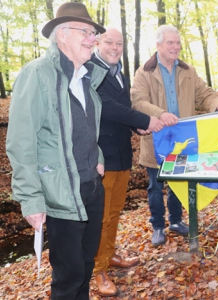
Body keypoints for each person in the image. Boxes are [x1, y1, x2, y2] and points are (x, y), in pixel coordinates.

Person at [6, 2, 108, 299]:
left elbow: (87, 130)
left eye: (94, 33)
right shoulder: (37, 74)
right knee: (68, 276)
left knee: (86, 267)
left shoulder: (86, 78)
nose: (93, 39)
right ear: (62, 35)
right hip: (59, 192)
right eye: (86, 32)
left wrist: (98, 158)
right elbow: (21, 140)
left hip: (91, 188)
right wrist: (31, 198)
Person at [131, 24, 218, 247]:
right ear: (158, 45)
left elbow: (204, 93)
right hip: (156, 139)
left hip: (181, 138)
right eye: (170, 43)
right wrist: (160, 114)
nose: (175, 47)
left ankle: (176, 221)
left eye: (177, 43)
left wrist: (217, 104)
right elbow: (138, 101)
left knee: (177, 182)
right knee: (156, 187)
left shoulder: (187, 70)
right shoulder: (144, 72)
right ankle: (158, 226)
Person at [90, 28, 164, 296]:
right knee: (100, 217)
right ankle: (98, 270)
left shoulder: (118, 73)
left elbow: (122, 112)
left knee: (114, 213)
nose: (114, 47)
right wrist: (145, 121)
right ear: (97, 42)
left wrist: (137, 129)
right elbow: (106, 106)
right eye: (109, 42)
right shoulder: (90, 70)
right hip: (100, 158)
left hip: (121, 156)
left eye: (119, 43)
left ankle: (109, 255)